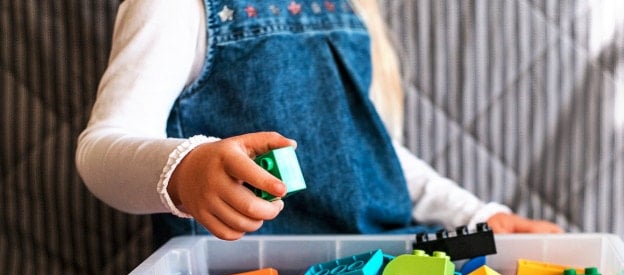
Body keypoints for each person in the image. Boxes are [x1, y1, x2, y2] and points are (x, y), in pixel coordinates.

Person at [76, 0, 562, 245]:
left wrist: (475, 216)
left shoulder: (348, 9)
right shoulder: (177, 8)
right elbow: (100, 149)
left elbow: (375, 158)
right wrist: (185, 171)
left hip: (385, 267)